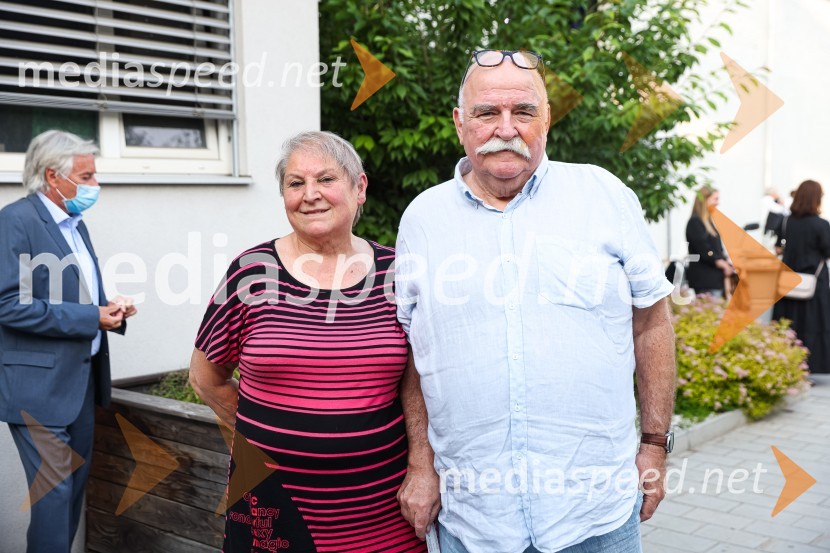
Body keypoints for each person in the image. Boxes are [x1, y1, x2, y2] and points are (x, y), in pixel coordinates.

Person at [395, 49, 676, 553]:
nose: (506, 127)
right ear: (461, 123)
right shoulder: (423, 219)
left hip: (595, 515)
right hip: (472, 519)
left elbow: (651, 322)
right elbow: (419, 350)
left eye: (523, 111)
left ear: (546, 120)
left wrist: (655, 445)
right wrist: (421, 463)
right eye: (487, 113)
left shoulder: (604, 195)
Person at [189, 131, 428, 552]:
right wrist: (256, 446)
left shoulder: (399, 272)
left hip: (384, 510)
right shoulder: (250, 273)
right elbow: (206, 378)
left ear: (360, 188)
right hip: (273, 509)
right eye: (295, 184)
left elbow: (420, 383)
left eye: (326, 180)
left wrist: (422, 466)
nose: (310, 195)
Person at [0, 130, 137, 552]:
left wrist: (108, 310)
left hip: (78, 385)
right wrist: (89, 316)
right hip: (37, 391)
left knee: (71, 492)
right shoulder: (16, 221)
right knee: (55, 495)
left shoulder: (75, 224)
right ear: (53, 176)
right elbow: (7, 303)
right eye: (87, 176)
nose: (95, 185)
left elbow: (72, 294)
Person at [773, 180, 830, 374]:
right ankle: (809, 367)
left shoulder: (786, 221)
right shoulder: (821, 225)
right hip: (815, 282)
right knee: (814, 323)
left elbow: (779, 246)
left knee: (789, 322)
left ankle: (788, 364)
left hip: (789, 280)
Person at [685, 185, 734, 297]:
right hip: (705, 280)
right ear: (705, 200)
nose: (718, 203)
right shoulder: (695, 222)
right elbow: (705, 250)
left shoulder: (708, 222)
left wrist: (727, 261)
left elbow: (717, 249)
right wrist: (723, 265)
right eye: (715, 199)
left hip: (714, 279)